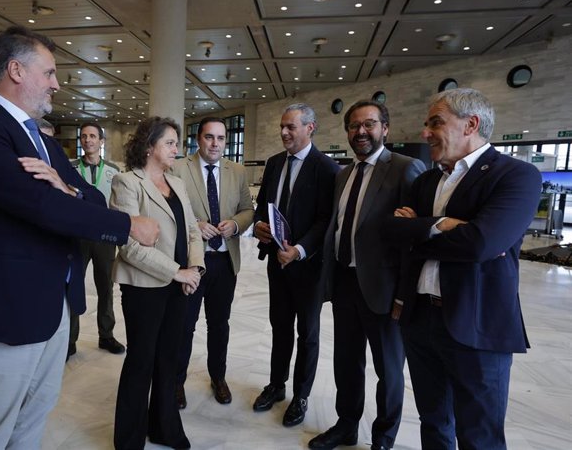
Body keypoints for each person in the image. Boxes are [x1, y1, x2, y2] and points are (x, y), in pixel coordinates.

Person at [0, 25, 159, 449]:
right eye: (50, 73)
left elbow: (87, 193)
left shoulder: (44, 141)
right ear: (16, 70)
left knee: (31, 421)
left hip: (50, 308)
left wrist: (67, 187)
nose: (57, 84)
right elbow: (36, 203)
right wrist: (128, 225)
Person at [388, 88, 541, 449]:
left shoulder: (515, 176)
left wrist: (421, 227)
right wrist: (444, 225)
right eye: (427, 124)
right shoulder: (426, 180)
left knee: (479, 435)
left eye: (436, 123)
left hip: (476, 325)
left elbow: (481, 244)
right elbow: (394, 232)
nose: (425, 133)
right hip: (421, 320)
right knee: (434, 422)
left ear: (471, 124)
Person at [309, 101, 425, 450]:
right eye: (354, 126)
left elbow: (414, 238)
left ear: (385, 128)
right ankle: (346, 425)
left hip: (385, 290)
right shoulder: (343, 173)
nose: (361, 132)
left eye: (369, 124)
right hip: (345, 280)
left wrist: (404, 294)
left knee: (388, 370)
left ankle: (383, 437)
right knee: (346, 362)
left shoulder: (406, 168)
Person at [111, 116, 205, 450]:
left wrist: (195, 268)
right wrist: (176, 271)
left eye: (176, 143)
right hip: (143, 289)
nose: (176, 149)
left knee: (168, 359)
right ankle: (129, 439)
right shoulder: (127, 182)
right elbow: (130, 245)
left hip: (179, 285)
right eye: (169, 142)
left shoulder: (177, 183)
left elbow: (193, 229)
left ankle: (164, 428)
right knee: (141, 361)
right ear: (149, 146)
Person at [252, 103, 339, 427]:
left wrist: (300, 250)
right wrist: (260, 226)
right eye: (283, 127)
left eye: (291, 127)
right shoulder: (275, 163)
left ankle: (301, 394)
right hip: (278, 265)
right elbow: (263, 207)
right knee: (280, 327)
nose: (285, 132)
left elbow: (324, 220)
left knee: (308, 334)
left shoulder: (327, 168)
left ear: (310, 128)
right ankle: (276, 385)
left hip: (309, 268)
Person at [172, 117, 254, 409]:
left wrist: (235, 223)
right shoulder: (178, 168)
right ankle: (176, 382)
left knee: (220, 324)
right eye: (209, 137)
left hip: (224, 261)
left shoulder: (238, 172)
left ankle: (218, 377)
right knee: (185, 325)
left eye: (220, 138)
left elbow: (248, 210)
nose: (215, 143)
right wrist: (196, 223)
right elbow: (170, 210)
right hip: (193, 262)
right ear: (198, 139)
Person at [68, 122, 125, 360]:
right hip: (76, 237)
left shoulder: (114, 171)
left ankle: (106, 335)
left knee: (106, 288)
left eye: (93, 136)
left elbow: (119, 203)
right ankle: (69, 340)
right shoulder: (69, 168)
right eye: (84, 136)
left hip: (103, 238)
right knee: (73, 289)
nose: (88, 140)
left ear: (101, 142)